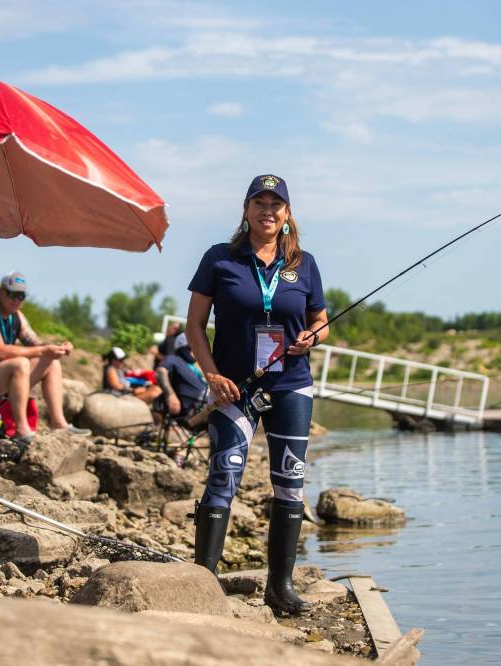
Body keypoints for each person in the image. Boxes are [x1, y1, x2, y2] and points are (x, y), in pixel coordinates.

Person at [186, 174, 329, 615]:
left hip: (291, 386)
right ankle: (202, 585)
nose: (268, 211)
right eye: (259, 202)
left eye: (276, 204)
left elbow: (321, 320)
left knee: (289, 484)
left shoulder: (303, 263)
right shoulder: (219, 258)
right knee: (223, 479)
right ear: (245, 210)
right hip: (235, 388)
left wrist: (312, 337)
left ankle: (280, 587)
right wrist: (212, 376)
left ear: (287, 214)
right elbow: (194, 326)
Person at [0, 272, 89, 443]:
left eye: (21, 295)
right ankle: (22, 430)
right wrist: (43, 350)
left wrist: (57, 347)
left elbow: (37, 344)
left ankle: (58, 423)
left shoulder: (17, 316)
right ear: (0, 292)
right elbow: (0, 352)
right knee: (20, 364)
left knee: (51, 362)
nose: (16, 300)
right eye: (12, 294)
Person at [155, 333, 208, 418]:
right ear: (184, 349)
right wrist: (170, 395)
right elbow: (160, 372)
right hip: (198, 406)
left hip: (209, 401)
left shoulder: (191, 366)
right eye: (192, 348)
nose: (196, 352)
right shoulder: (173, 359)